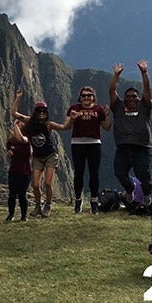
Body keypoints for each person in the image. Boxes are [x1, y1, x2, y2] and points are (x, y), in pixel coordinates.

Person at [11, 89, 65, 218]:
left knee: (47, 183)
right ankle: (38, 205)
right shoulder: (29, 122)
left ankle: (48, 205)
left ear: (46, 113)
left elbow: (64, 127)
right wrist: (18, 98)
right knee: (35, 184)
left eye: (43, 111)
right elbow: (13, 113)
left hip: (50, 155)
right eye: (39, 111)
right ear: (35, 112)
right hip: (37, 157)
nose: (41, 113)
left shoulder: (48, 124)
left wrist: (72, 119)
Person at [109, 60, 152, 207]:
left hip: (141, 147)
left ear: (138, 97)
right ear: (124, 98)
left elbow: (147, 88)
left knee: (143, 175)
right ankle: (130, 189)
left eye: (134, 96)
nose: (131, 98)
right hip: (123, 147)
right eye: (128, 96)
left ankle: (147, 193)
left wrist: (144, 72)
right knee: (119, 172)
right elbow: (112, 91)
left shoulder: (144, 106)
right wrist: (116, 75)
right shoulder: (118, 107)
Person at [63, 86, 111, 214]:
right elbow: (66, 126)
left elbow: (107, 127)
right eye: (84, 95)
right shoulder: (74, 108)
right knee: (78, 173)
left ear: (93, 97)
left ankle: (94, 202)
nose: (86, 97)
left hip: (94, 143)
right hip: (77, 143)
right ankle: (78, 200)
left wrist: (106, 116)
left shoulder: (99, 109)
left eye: (89, 95)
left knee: (93, 173)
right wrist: (72, 118)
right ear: (80, 97)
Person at [5, 120, 32, 222]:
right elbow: (8, 153)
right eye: (17, 126)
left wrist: (16, 125)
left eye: (21, 126)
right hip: (13, 170)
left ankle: (24, 216)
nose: (18, 128)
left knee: (22, 194)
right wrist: (9, 153)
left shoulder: (27, 139)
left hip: (25, 171)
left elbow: (22, 139)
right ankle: (11, 214)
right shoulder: (10, 142)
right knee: (12, 194)